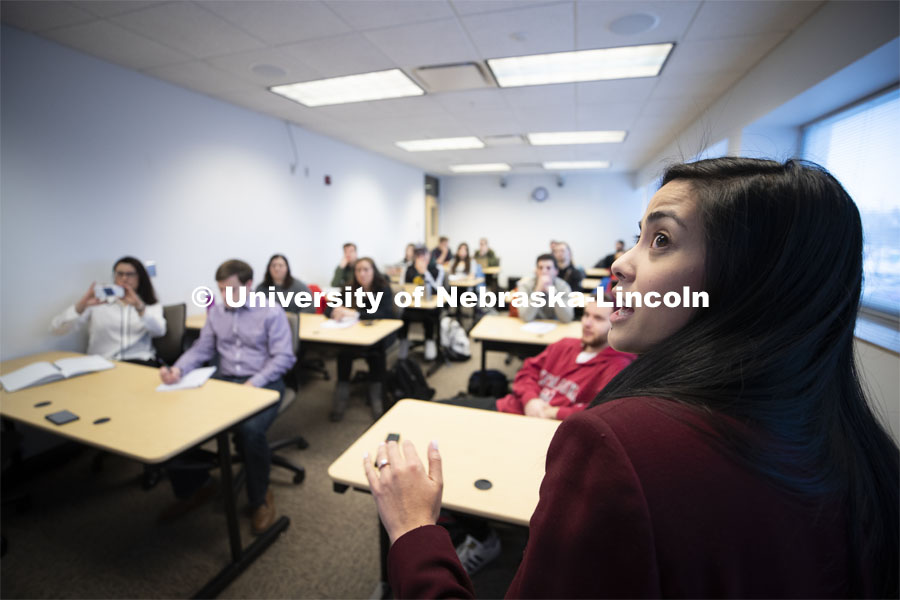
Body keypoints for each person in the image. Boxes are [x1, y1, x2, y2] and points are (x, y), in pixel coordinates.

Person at [362, 158, 899, 598]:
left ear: (745, 284)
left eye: (661, 240)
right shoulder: (868, 456)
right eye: (638, 237)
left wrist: (414, 533)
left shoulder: (620, 443)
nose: (619, 262)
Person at [439, 299, 635, 573]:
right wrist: (531, 400)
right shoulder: (565, 344)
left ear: (615, 323)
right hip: (514, 408)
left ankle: (481, 536)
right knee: (440, 415)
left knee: (478, 461)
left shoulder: (619, 367)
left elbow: (600, 412)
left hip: (545, 432)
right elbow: (528, 370)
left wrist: (554, 411)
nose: (588, 323)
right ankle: (455, 511)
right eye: (586, 315)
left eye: (598, 319)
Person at [159, 259, 295, 535]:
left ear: (248, 285)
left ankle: (260, 498)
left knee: (250, 431)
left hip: (264, 381)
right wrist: (178, 369)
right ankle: (197, 486)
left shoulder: (270, 310)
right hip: (226, 380)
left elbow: (283, 357)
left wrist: (253, 382)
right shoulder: (218, 312)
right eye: (221, 290)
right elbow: (202, 349)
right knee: (175, 417)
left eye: (232, 290)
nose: (225, 297)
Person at [51, 256, 166, 365]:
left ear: (140, 277)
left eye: (130, 274)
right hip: (103, 362)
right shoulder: (98, 302)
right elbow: (57, 329)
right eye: (119, 274)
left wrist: (139, 307)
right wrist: (81, 305)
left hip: (139, 361)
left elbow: (159, 331)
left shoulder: (149, 303)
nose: (124, 278)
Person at [325, 257, 396, 421]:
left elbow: (385, 314)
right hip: (353, 335)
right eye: (358, 270)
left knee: (376, 354)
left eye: (366, 270)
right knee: (343, 354)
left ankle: (377, 399)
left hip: (380, 336)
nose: (362, 274)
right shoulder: (349, 288)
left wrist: (356, 314)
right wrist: (334, 312)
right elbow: (329, 306)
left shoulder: (383, 289)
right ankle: (341, 398)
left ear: (373, 271)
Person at [399, 245, 444, 361]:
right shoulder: (408, 269)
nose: (422, 259)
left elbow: (438, 289)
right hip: (413, 303)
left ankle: (430, 341)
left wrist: (426, 274)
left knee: (429, 315)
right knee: (403, 315)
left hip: (431, 304)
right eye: (419, 256)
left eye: (425, 256)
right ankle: (403, 343)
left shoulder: (437, 269)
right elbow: (402, 287)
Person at [515, 254, 575, 323]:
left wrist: (553, 294)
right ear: (536, 271)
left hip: (557, 327)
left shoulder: (563, 286)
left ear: (556, 271)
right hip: (532, 325)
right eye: (540, 268)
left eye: (548, 268)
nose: (544, 271)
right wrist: (537, 291)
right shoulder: (525, 286)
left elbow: (567, 318)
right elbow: (525, 317)